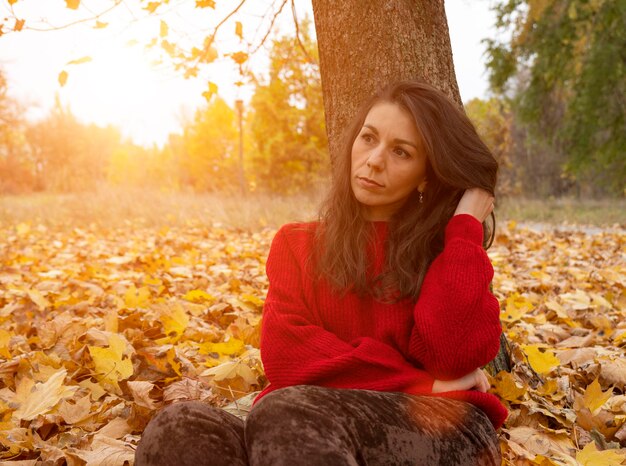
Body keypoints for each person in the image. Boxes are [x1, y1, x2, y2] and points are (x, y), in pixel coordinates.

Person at [135, 80, 507, 466]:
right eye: (368, 138)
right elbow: (288, 358)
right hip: (301, 425)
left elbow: (452, 356)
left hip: (443, 432)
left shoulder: (446, 255)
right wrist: (421, 383)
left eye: (401, 152)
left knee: (288, 411)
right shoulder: (297, 246)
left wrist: (464, 226)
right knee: (179, 425)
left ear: (426, 175)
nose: (374, 159)